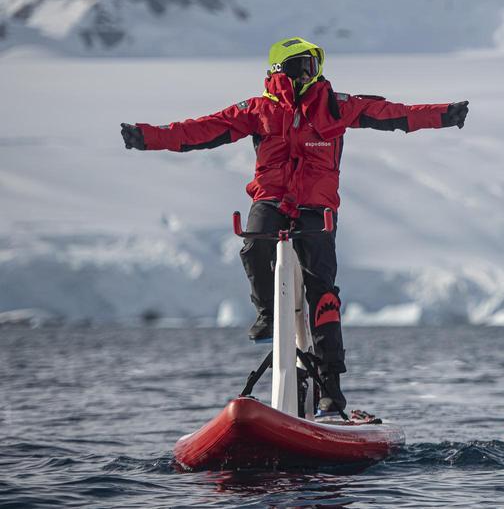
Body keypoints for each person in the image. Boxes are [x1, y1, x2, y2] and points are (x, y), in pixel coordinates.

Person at [120, 37, 468, 411]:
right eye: (302, 66)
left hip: (316, 209)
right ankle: (269, 314)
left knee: (323, 293)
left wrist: (445, 114)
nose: (310, 74)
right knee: (254, 247)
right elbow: (200, 130)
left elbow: (394, 114)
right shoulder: (257, 110)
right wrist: (146, 137)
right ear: (278, 71)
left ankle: (331, 386)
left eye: (313, 67)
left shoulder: (337, 106)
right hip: (271, 199)